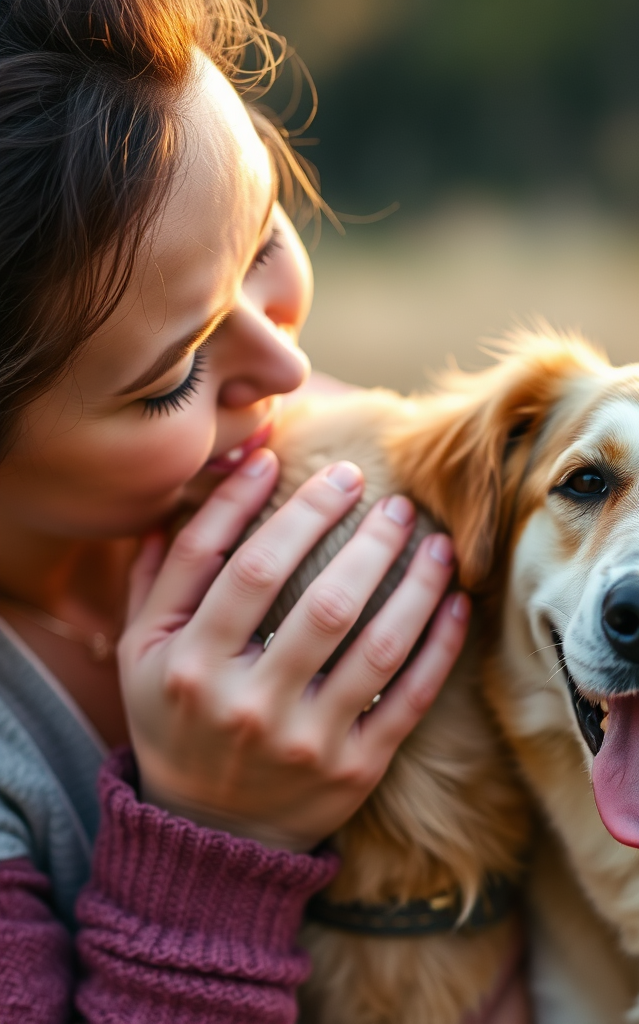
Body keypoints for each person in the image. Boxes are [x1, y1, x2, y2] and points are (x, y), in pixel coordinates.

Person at [0, 1, 522, 1020]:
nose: (285, 365)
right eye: (173, 375)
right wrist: (211, 852)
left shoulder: (356, 465)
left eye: (264, 235)